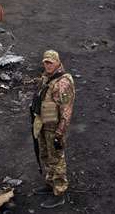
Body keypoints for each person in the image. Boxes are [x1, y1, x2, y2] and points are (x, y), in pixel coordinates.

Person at [30, 50, 75, 209]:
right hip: (43, 124)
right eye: (45, 62)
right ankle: (50, 184)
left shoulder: (63, 83)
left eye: (50, 62)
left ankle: (59, 192)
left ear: (57, 62)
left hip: (54, 128)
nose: (47, 65)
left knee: (56, 159)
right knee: (45, 155)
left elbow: (66, 111)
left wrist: (60, 133)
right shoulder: (47, 78)